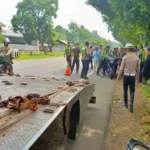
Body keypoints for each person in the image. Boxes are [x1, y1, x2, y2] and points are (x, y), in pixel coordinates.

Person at [117, 44, 140, 113]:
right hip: (133, 76)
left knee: (125, 89)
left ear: (127, 49)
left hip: (126, 75)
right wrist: (137, 76)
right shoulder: (136, 58)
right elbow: (138, 69)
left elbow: (121, 68)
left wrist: (118, 77)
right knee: (132, 90)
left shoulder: (125, 57)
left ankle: (125, 104)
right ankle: (131, 103)